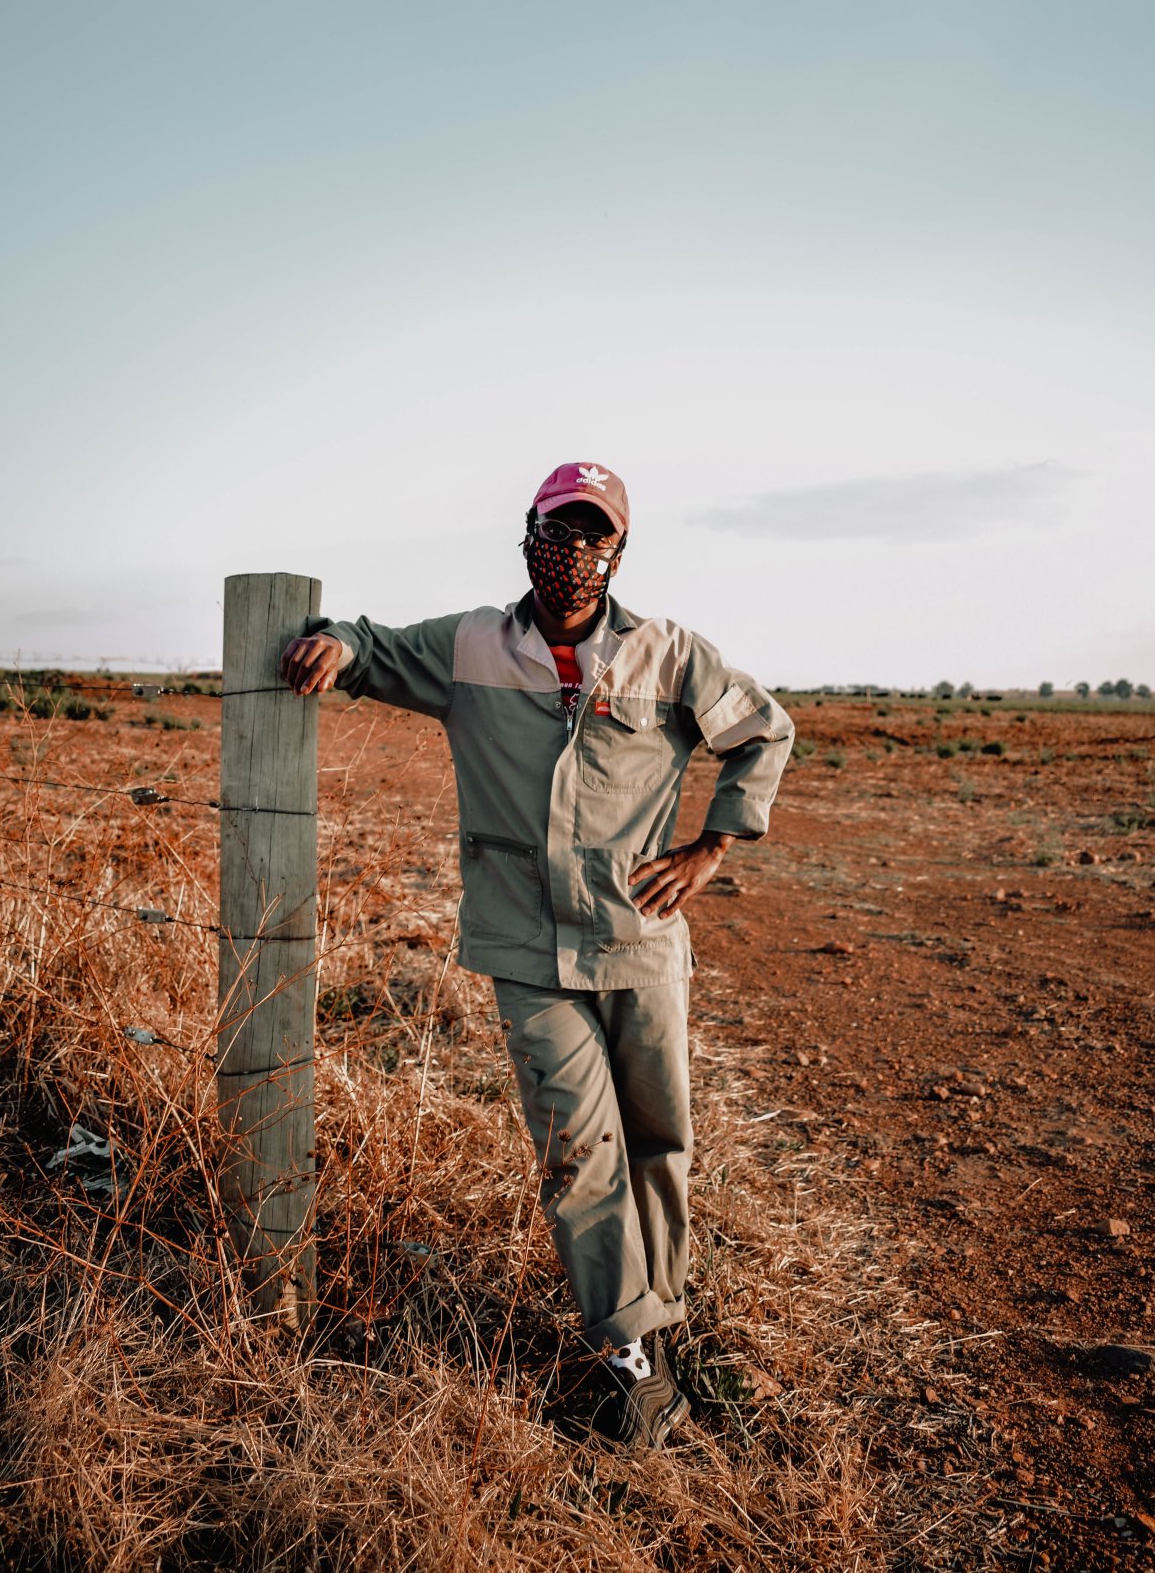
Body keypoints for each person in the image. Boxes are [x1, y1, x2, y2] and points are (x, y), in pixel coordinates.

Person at [281, 461, 794, 1449]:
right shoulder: (475, 644)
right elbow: (375, 646)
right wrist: (336, 644)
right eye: (558, 530)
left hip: (640, 941)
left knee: (657, 1147)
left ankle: (660, 1323)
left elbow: (763, 733)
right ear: (528, 534)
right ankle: (629, 1356)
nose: (574, 552)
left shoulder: (668, 654)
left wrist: (714, 846)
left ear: (619, 550)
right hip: (526, 947)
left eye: (594, 534)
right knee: (578, 1152)